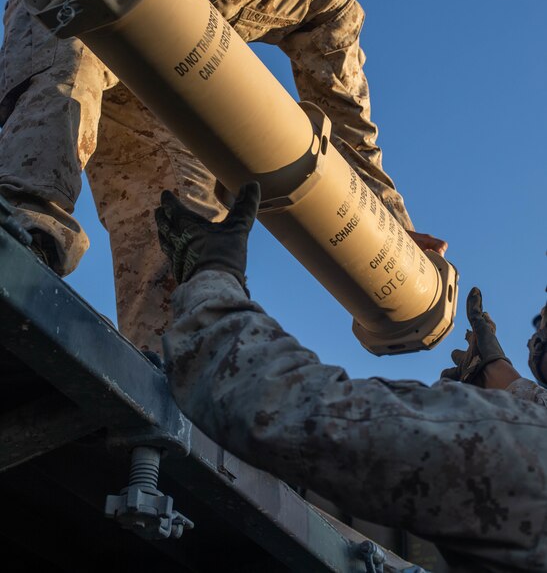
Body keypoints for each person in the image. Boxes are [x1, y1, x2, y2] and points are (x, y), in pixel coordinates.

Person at [0, 0, 445, 354]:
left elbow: (347, 119)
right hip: (85, 0)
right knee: (63, 85)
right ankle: (22, 242)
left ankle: (172, 368)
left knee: (186, 225)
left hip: (161, 90)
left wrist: (393, 230)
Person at [156, 183, 547, 573]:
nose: (538, 323)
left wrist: (212, 275)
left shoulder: (522, 455)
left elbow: (281, 406)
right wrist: (504, 380)